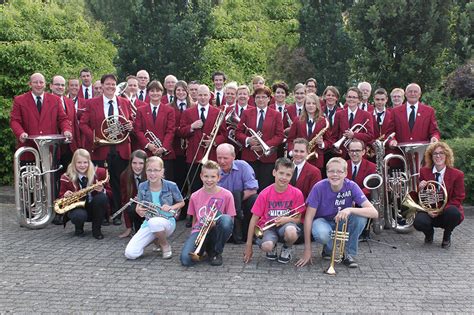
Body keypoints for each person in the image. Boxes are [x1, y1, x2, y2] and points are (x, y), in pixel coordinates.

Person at [296, 157, 378, 269]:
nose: (335, 175)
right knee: (322, 234)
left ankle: (348, 254)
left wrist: (349, 209)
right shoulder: (319, 187)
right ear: (326, 173)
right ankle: (329, 249)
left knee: (360, 218)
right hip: (323, 221)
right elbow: (308, 218)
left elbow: (374, 213)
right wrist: (307, 250)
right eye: (331, 171)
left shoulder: (352, 186)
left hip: (341, 221)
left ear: (345, 173)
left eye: (339, 171)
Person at [79, 73, 133, 225]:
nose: (111, 87)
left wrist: (130, 125)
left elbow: (130, 122)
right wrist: (95, 137)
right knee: (100, 182)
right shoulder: (91, 103)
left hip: (120, 148)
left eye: (113, 84)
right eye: (107, 84)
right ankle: (103, 214)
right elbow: (83, 124)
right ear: (102, 86)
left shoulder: (124, 102)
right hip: (101, 148)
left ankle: (116, 214)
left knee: (118, 183)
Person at [244, 157, 305, 264]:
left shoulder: (297, 193)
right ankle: (272, 246)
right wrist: (249, 245)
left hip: (286, 226)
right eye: (281, 173)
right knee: (267, 246)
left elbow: (299, 219)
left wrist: (286, 219)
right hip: (267, 228)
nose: (284, 177)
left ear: (291, 176)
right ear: (274, 172)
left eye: (288, 175)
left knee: (291, 232)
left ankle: (287, 247)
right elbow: (254, 219)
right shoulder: (264, 193)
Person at [125, 156, 185, 259]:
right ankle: (156, 240)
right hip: (149, 222)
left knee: (155, 222)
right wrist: (137, 209)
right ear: (146, 172)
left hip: (167, 221)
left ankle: (164, 245)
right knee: (131, 254)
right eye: (149, 170)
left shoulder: (171, 185)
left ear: (162, 172)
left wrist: (171, 207)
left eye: (156, 170)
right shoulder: (142, 186)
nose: (152, 174)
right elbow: (140, 202)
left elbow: (181, 203)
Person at [180, 161, 235, 267]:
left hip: (216, 232)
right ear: (201, 176)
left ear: (218, 177)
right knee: (186, 260)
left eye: (213, 177)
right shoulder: (194, 196)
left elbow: (230, 221)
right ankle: (205, 249)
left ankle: (216, 252)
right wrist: (194, 238)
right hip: (200, 230)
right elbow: (195, 220)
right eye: (206, 176)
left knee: (225, 219)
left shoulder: (227, 195)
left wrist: (215, 223)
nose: (209, 180)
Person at [10, 72, 72, 163]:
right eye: (35, 82)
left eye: (41, 82)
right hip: (29, 150)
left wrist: (66, 130)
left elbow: (63, 119)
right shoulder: (19, 100)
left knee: (51, 177)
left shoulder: (55, 100)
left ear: (45, 84)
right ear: (30, 84)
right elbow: (14, 121)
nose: (39, 85)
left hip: (50, 151)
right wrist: (20, 133)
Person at [413, 142, 465, 249]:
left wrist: (440, 210)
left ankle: (447, 236)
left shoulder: (457, 174)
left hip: (446, 211)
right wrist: (420, 188)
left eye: (441, 153)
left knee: (454, 213)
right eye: (435, 154)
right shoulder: (424, 172)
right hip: (430, 211)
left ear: (447, 156)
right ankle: (429, 234)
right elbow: (420, 197)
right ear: (431, 157)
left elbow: (458, 198)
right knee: (418, 222)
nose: (438, 156)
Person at [179, 84, 227, 194]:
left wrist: (214, 141)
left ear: (209, 96)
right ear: (196, 95)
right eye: (200, 95)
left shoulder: (217, 112)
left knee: (213, 188)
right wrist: (191, 127)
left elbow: (224, 134)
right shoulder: (188, 112)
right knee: (194, 189)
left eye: (205, 95)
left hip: (211, 156)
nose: (203, 97)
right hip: (193, 157)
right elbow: (181, 132)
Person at [235, 86, 284, 191]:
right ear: (254, 99)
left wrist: (263, 145)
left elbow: (279, 136)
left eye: (263, 97)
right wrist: (248, 140)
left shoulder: (276, 115)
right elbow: (238, 132)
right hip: (249, 157)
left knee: (265, 188)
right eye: (258, 97)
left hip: (268, 159)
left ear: (269, 99)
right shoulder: (246, 113)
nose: (261, 100)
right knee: (248, 188)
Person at [58, 149, 112, 239]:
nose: (82, 165)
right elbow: (60, 198)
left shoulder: (100, 173)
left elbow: (110, 195)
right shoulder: (66, 177)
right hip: (77, 208)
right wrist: (65, 195)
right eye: (79, 162)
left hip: (94, 207)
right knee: (78, 215)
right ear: (74, 163)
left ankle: (97, 230)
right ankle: (79, 228)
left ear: (89, 162)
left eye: (85, 162)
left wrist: (102, 190)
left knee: (102, 197)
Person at [216, 143, 259, 243]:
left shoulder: (243, 166)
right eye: (219, 158)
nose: (222, 161)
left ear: (233, 156)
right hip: (224, 205)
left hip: (243, 202)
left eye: (225, 158)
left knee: (255, 199)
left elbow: (253, 190)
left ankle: (249, 234)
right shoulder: (215, 171)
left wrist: (236, 199)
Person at [134, 80, 176, 180]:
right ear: (148, 93)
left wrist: (163, 148)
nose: (155, 93)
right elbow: (138, 130)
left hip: (165, 154)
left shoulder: (169, 110)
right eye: (152, 91)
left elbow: (170, 131)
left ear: (162, 93)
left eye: (158, 91)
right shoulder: (140, 110)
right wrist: (148, 145)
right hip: (147, 152)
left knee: (165, 182)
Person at [287, 93, 331, 170]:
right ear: (304, 105)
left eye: (314, 103)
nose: (311, 105)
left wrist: (322, 144)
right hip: (299, 158)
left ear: (317, 106)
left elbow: (329, 141)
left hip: (316, 160)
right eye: (308, 103)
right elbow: (290, 139)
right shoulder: (297, 120)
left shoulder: (323, 121)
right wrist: (292, 152)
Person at [330, 87, 374, 158]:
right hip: (342, 153)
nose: (351, 99)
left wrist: (354, 135)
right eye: (349, 97)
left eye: (354, 97)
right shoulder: (339, 114)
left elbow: (370, 136)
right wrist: (335, 148)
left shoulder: (366, 115)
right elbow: (334, 136)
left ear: (359, 100)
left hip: (359, 153)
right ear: (346, 98)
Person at [119, 150, 148, 238]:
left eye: (141, 163)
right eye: (134, 163)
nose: (137, 166)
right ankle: (137, 230)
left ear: (146, 164)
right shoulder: (125, 176)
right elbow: (124, 201)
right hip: (136, 208)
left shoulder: (150, 174)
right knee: (131, 208)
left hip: (151, 206)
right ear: (130, 163)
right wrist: (128, 226)